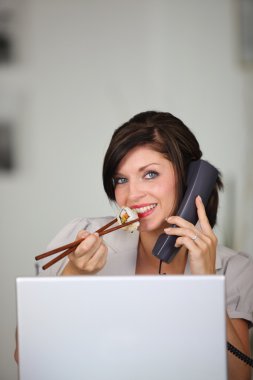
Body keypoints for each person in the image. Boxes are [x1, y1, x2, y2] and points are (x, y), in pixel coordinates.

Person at [18, 111, 253, 379]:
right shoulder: (82, 235)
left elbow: (239, 376)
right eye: (121, 180)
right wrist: (75, 274)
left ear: (191, 179)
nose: (132, 195)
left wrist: (206, 282)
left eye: (150, 174)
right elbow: (24, 355)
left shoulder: (235, 269)